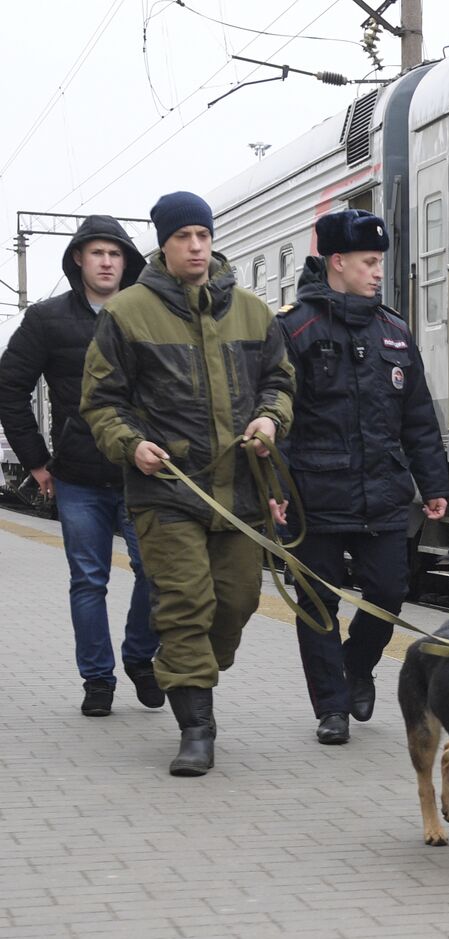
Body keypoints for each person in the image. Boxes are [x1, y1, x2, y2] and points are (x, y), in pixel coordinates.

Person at [81, 191, 294, 777]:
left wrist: (270, 418)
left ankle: (188, 670)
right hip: (166, 491)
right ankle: (197, 728)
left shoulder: (253, 311)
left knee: (238, 601)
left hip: (242, 490)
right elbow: (101, 402)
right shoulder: (127, 313)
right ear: (164, 244)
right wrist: (130, 443)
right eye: (183, 237)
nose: (196, 246)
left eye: (203, 235)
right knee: (184, 606)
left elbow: (280, 380)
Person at [277, 209, 449, 745]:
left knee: (389, 591)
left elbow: (419, 418)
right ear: (337, 262)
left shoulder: (394, 332)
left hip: (381, 492)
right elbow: (276, 414)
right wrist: (275, 491)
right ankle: (331, 707)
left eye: (380, 263)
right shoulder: (294, 327)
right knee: (316, 603)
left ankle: (358, 665)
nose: (379, 272)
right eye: (370, 263)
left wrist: (436, 484)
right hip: (314, 495)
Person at [0, 216, 162, 717]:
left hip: (144, 472)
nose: (107, 262)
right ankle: (98, 680)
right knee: (88, 580)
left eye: (115, 254)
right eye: (97, 253)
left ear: (127, 261)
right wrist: (37, 462)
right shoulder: (48, 319)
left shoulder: (151, 312)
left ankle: (139, 657)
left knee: (156, 572)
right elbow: (9, 389)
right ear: (78, 259)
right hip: (79, 476)